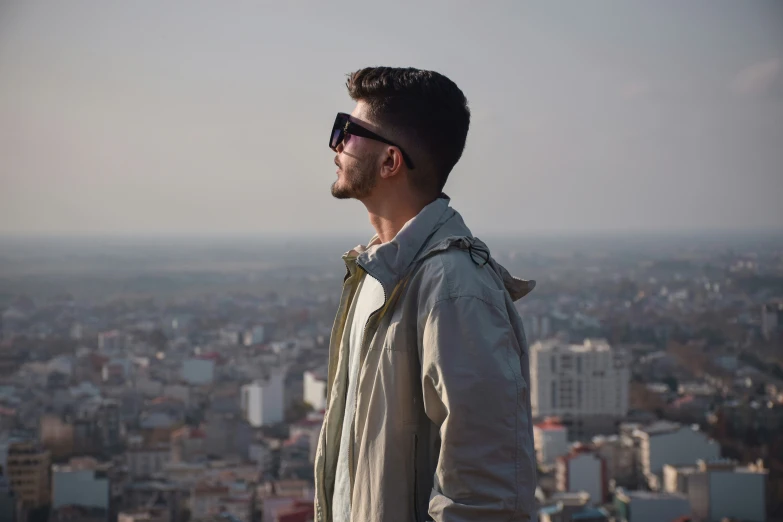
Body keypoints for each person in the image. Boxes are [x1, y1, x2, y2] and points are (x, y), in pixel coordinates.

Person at [313, 67, 536, 522]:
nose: (335, 145)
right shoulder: (379, 274)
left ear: (391, 161)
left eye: (348, 132)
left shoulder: (454, 289)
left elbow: (484, 497)